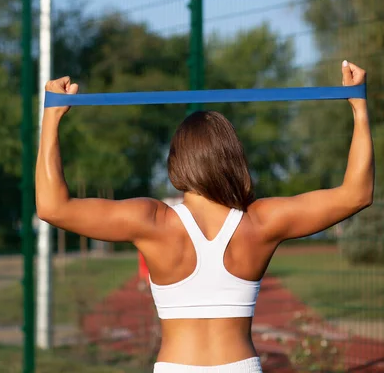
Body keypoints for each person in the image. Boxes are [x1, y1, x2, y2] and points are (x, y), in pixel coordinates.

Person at [35, 61, 373, 372]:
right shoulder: (260, 223)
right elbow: (356, 194)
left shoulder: (153, 220)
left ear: (177, 162)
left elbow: (52, 207)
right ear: (232, 159)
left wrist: (52, 115)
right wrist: (358, 106)